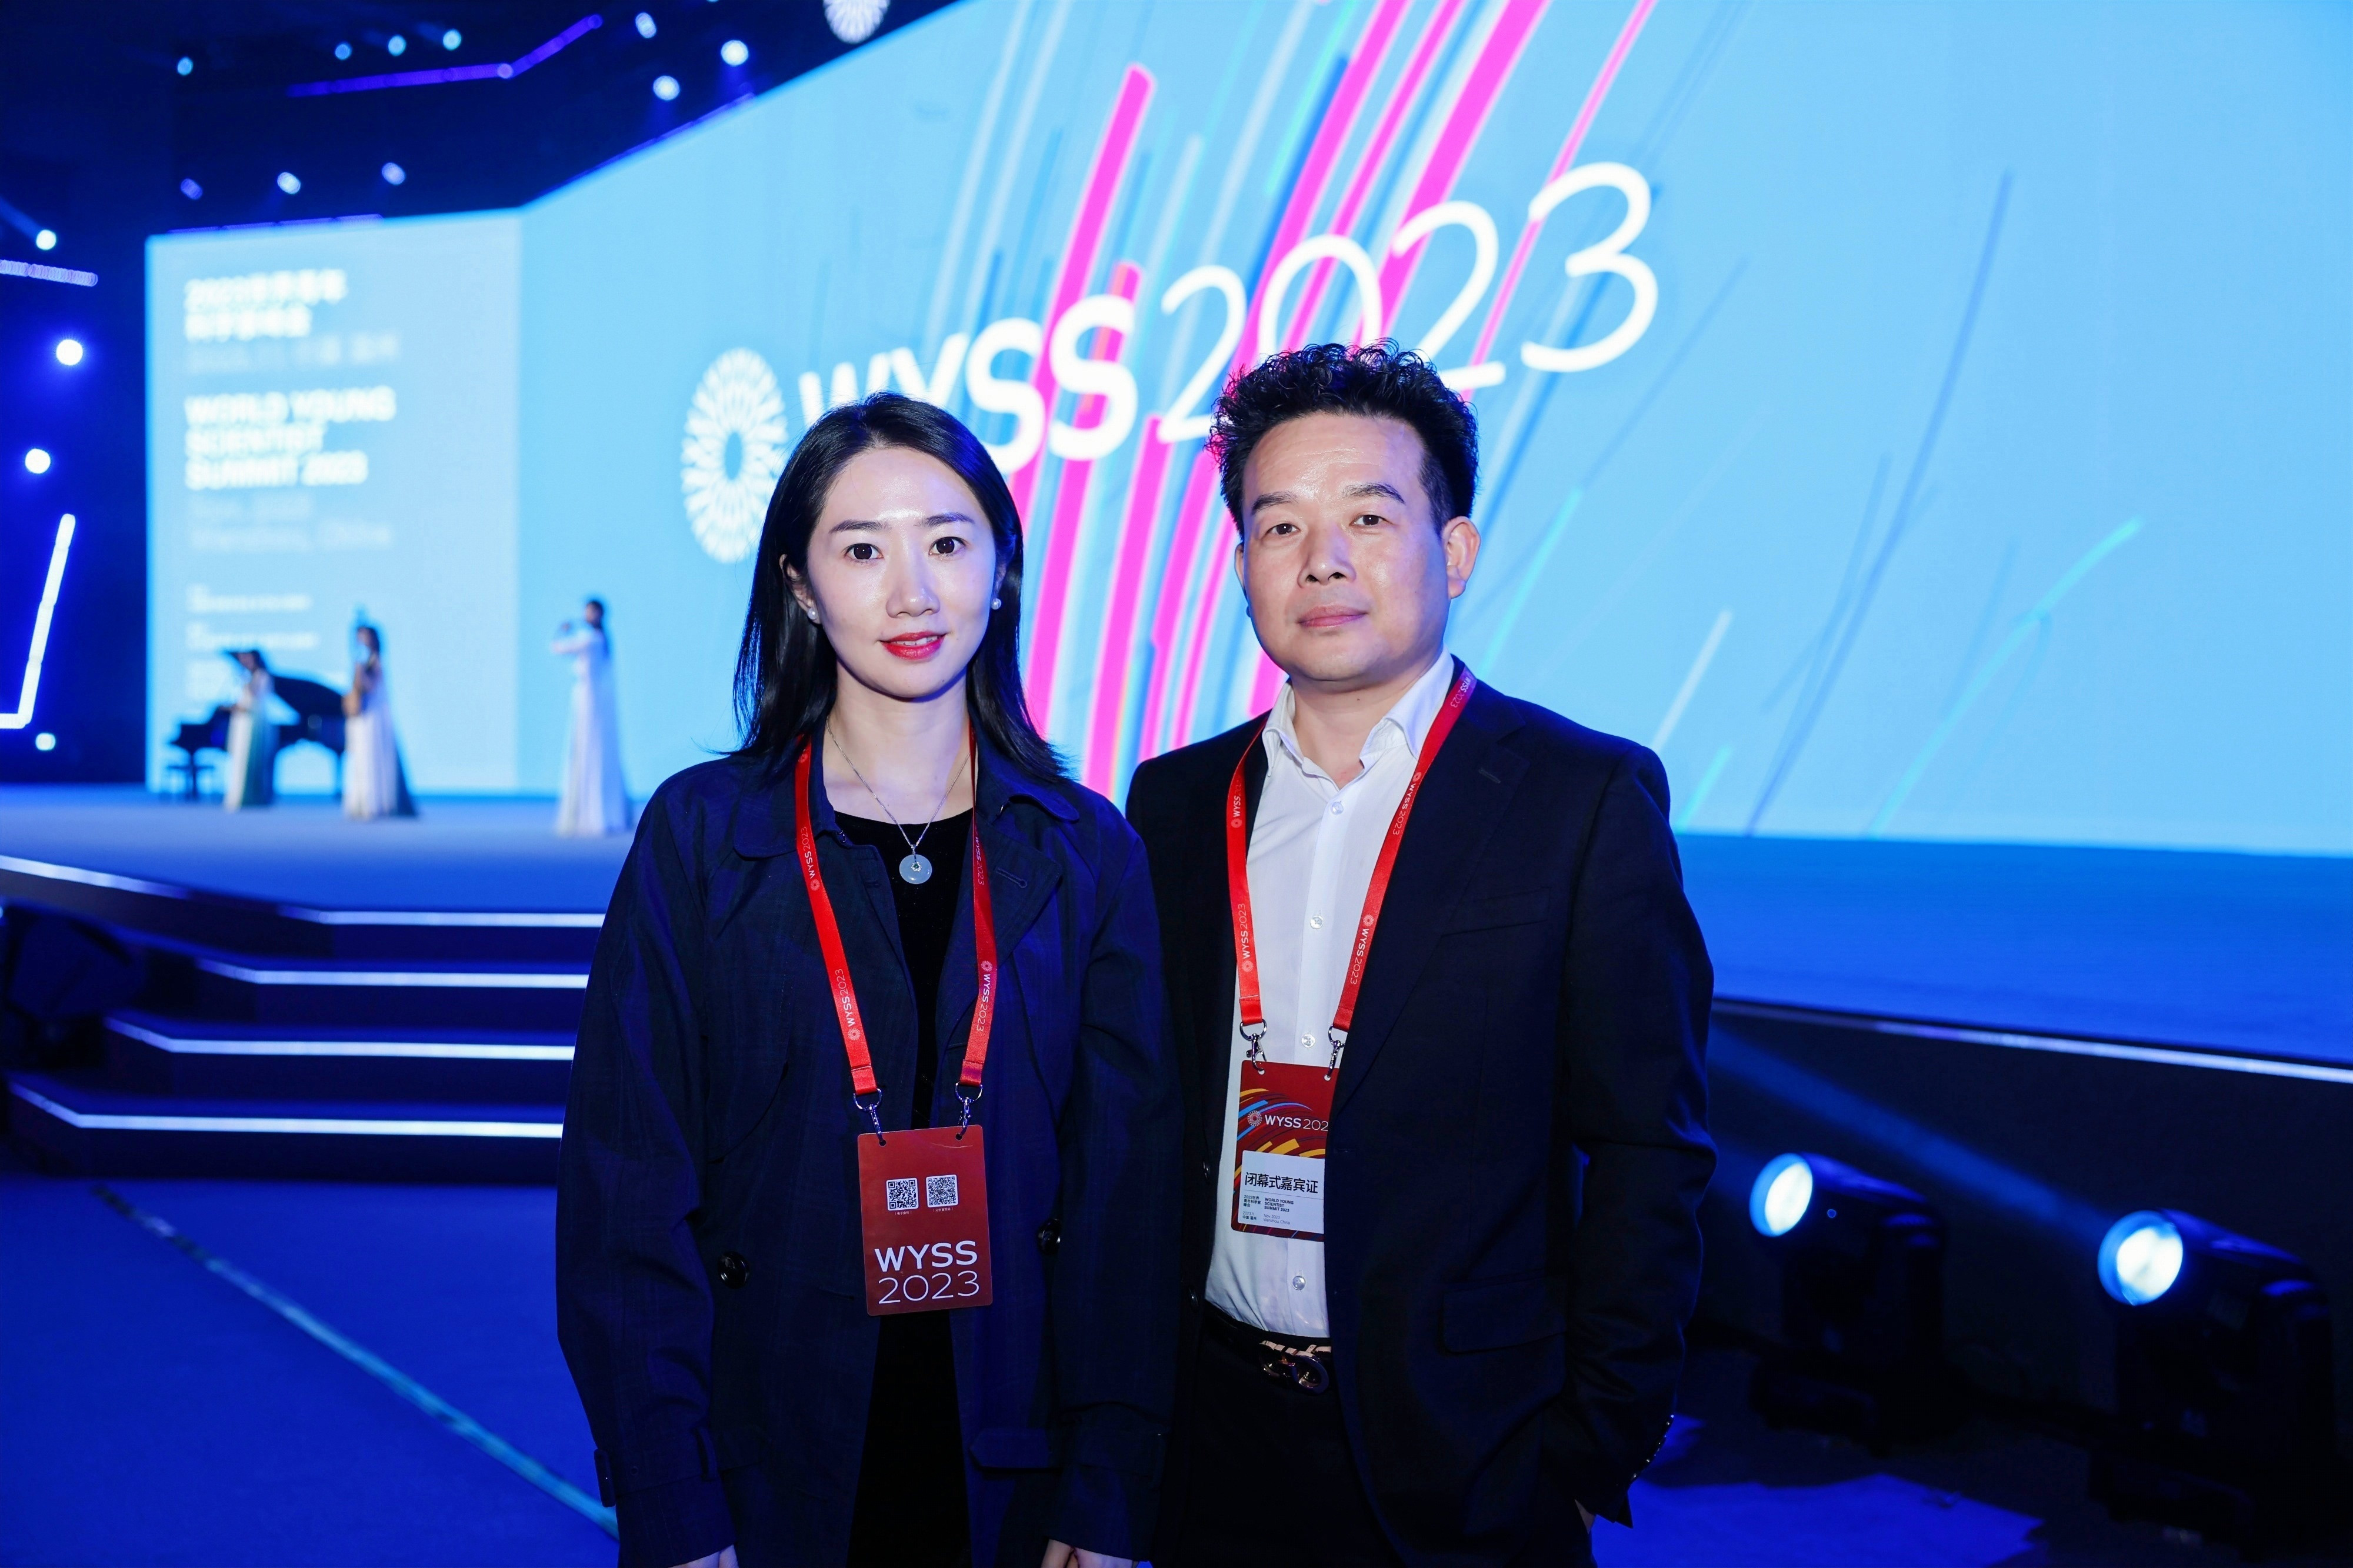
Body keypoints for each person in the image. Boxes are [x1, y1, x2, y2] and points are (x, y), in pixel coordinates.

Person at [558, 392, 1178, 1568]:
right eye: (861, 551)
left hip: (1015, 1459)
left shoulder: (1085, 849)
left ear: (1002, 569)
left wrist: (1107, 1489)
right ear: (799, 585)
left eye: (947, 543)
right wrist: (672, 1497)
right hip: (764, 1461)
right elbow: (627, 1189)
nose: (912, 593)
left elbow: (1126, 1200)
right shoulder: (706, 836)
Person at [1125, 342, 1715, 1567]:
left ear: (1454, 552)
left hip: (1466, 1454)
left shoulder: (1579, 799)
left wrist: (1591, 1449)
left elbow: (1647, 1150)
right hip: (1205, 1434)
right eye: (1278, 525)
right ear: (1240, 567)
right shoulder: (1173, 804)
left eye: (1367, 516)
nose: (1321, 559)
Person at [552, 596, 633, 836]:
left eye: (591, 611)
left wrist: (562, 630)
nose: (588, 615)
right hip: (592, 701)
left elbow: (557, 648)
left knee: (588, 749)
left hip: (589, 702)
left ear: (599, 615)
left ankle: (589, 814)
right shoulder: (600, 638)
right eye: (587, 611)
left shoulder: (590, 639)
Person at [341, 622, 415, 820]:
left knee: (371, 757)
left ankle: (374, 803)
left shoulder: (376, 660)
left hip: (373, 717)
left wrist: (360, 673)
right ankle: (360, 802)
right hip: (361, 716)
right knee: (360, 759)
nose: (361, 640)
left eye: (364, 636)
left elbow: (371, 686)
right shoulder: (363, 661)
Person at [221, 649, 276, 811]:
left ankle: (251, 797)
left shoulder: (261, 676)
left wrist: (248, 679)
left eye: (247, 659)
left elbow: (255, 697)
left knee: (251, 760)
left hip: (254, 724)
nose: (244, 662)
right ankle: (237, 796)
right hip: (240, 724)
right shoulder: (244, 676)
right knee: (239, 760)